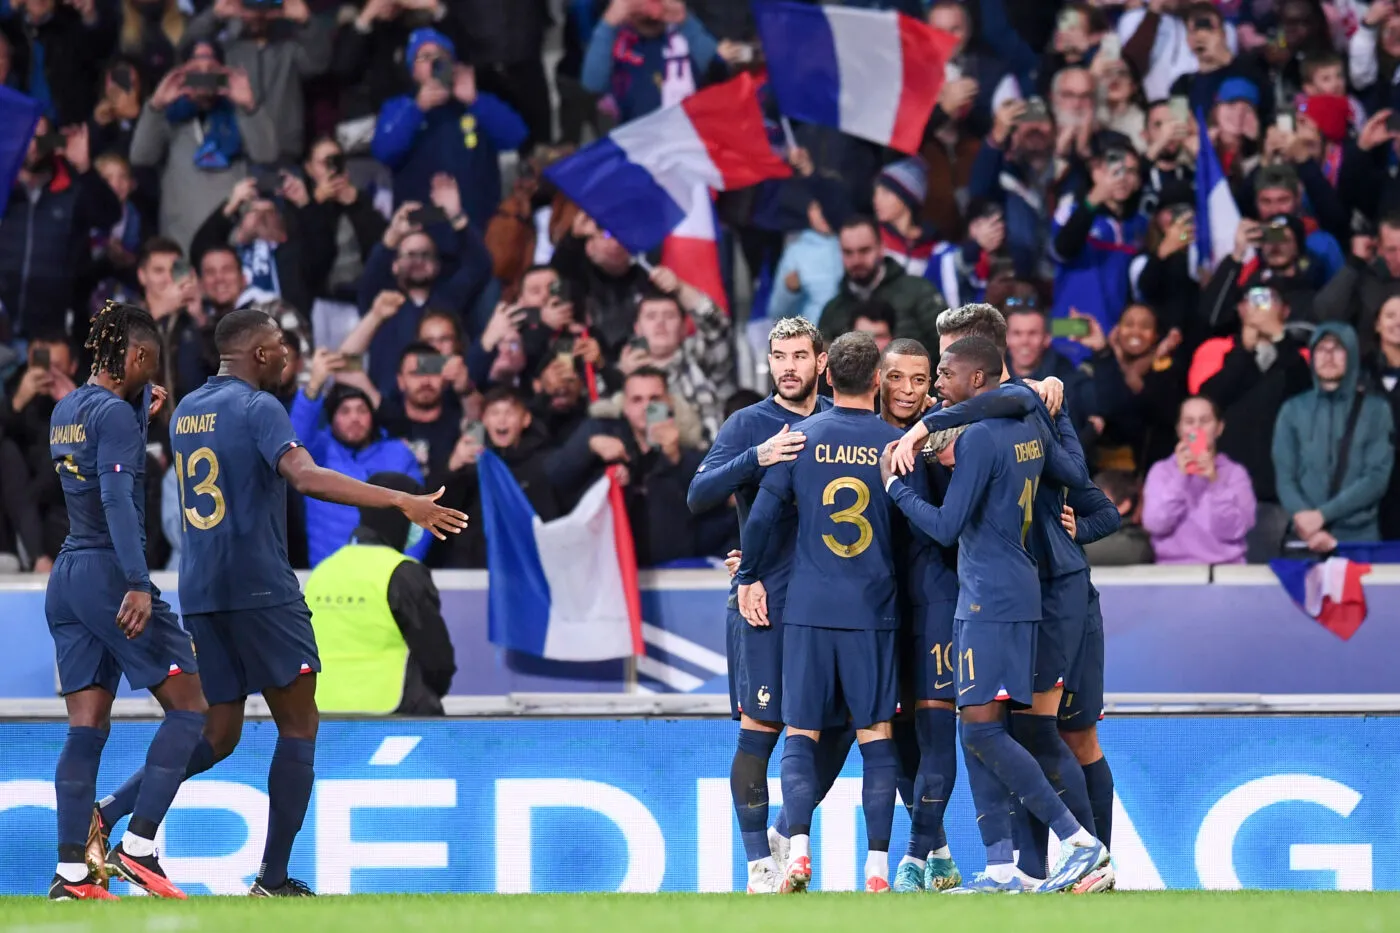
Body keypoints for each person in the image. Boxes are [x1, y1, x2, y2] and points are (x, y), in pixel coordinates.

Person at [91, 308, 467, 897]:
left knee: (219, 733)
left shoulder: (187, 408)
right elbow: (307, 477)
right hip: (263, 589)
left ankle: (107, 814)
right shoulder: (259, 407)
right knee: (299, 725)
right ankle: (271, 878)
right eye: (280, 348)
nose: (287, 357)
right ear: (258, 354)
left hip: (205, 591)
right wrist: (403, 504)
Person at [881, 336, 1107, 894]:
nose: (937, 384)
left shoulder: (981, 437)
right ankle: (1008, 870)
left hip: (988, 597)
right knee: (994, 730)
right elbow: (1044, 442)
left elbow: (945, 525)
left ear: (977, 379)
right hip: (1016, 593)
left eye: (946, 373)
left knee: (981, 732)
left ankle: (1078, 840)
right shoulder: (1026, 423)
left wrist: (894, 486)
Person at [735, 332, 908, 895]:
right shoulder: (897, 443)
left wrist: (747, 572)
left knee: (802, 733)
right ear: (879, 380)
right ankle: (878, 867)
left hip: (808, 610)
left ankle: (799, 852)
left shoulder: (799, 439)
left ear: (828, 375)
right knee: (875, 736)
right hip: (873, 611)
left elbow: (760, 519)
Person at [43, 301, 205, 901]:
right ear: (136, 356)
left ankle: (72, 875)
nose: (152, 374)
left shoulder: (67, 407)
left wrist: (138, 414)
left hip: (69, 575)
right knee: (193, 709)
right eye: (150, 363)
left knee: (86, 728)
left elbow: (92, 475)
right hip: (112, 574)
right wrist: (138, 581)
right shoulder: (113, 413)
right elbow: (115, 498)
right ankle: (138, 847)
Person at [686, 316, 839, 894]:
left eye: (800, 356)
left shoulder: (841, 420)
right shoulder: (748, 424)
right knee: (761, 728)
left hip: (832, 603)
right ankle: (758, 865)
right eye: (779, 356)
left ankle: (784, 831)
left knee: (846, 722)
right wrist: (760, 456)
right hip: (764, 600)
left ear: (821, 362)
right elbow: (699, 496)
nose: (788, 367)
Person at [874, 338, 962, 894]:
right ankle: (941, 853)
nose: (908, 390)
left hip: (936, 600)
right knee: (899, 733)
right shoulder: (858, 433)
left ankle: (910, 859)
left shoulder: (945, 431)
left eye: (919, 378)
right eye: (897, 378)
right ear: (878, 379)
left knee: (936, 730)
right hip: (879, 607)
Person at [307, 472, 457, 715]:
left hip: (322, 712)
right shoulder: (402, 573)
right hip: (391, 710)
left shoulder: (323, 571)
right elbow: (437, 659)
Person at [1273, 323, 1396, 550]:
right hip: (1304, 537)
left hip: (1359, 539)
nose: (1328, 356)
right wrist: (1307, 521)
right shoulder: (1292, 410)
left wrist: (1322, 515)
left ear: (1352, 355)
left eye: (1338, 349)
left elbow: (1377, 478)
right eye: (1321, 349)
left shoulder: (1376, 410)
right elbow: (1285, 475)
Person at [1141, 396, 1257, 564]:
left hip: (1225, 570)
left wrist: (1214, 482)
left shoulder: (1235, 473)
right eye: (1189, 421)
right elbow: (1156, 524)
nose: (1197, 428)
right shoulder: (1162, 471)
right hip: (1172, 571)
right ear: (1179, 429)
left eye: (1204, 421)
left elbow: (1234, 530)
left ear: (1219, 428)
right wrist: (1180, 478)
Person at [818, 217, 947, 352]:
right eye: (848, 252)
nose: (856, 260)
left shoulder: (919, 292)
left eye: (864, 250)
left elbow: (948, 351)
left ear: (881, 248)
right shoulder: (832, 311)